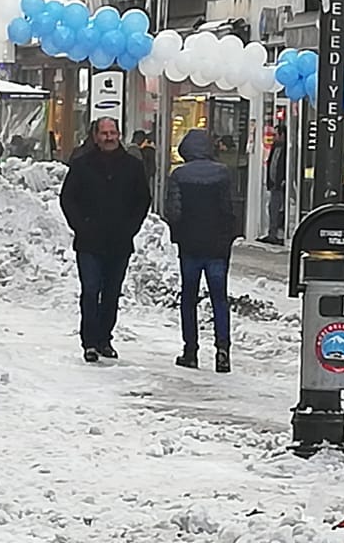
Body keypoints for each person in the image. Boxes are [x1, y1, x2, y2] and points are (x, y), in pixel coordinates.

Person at [59, 117, 152, 363]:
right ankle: (89, 341)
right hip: (89, 241)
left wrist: (131, 227)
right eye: (104, 133)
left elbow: (142, 199)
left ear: (119, 134)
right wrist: (81, 225)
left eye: (113, 132)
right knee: (90, 290)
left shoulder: (132, 165)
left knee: (111, 292)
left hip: (119, 241)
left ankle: (104, 339)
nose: (109, 137)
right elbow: (68, 199)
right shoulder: (82, 164)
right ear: (96, 136)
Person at [165, 128, 239, 372]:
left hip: (190, 246)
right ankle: (223, 351)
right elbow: (229, 210)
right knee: (219, 298)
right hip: (217, 246)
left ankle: (190, 350)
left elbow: (173, 213)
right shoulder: (223, 174)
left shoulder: (179, 175)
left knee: (189, 298)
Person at [259, 122, 288, 245]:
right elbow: (272, 164)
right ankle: (272, 233)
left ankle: (278, 234)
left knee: (279, 209)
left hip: (281, 185)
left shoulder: (287, 150)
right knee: (272, 209)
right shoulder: (275, 148)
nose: (275, 138)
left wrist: (283, 180)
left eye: (276, 135)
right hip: (274, 185)